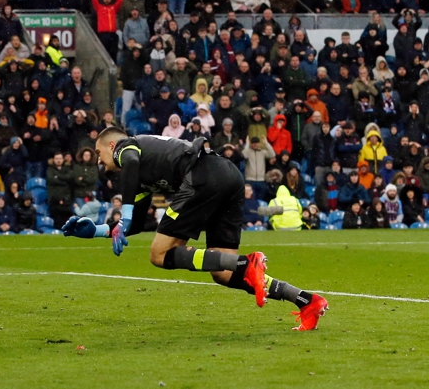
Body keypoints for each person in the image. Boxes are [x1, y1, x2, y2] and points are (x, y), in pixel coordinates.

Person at [62, 127, 328, 330]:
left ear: (112, 144)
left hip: (202, 175)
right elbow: (138, 223)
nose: (99, 160)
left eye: (99, 153)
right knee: (222, 272)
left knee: (159, 254)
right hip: (227, 175)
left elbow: (129, 167)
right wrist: (98, 230)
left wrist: (125, 213)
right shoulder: (140, 177)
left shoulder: (126, 148)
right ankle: (306, 301)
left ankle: (246, 264)